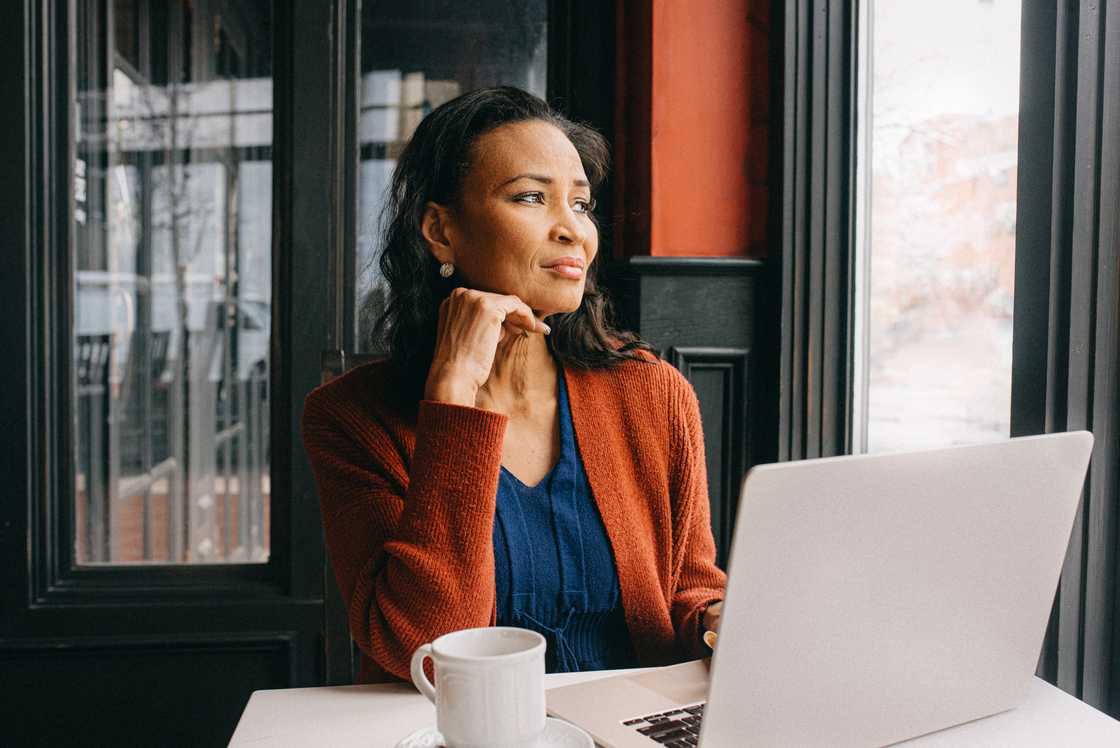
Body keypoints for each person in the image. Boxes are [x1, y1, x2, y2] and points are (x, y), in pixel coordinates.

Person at [301, 86, 725, 684]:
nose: (572, 230)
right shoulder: (350, 417)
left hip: (630, 724)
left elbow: (688, 590)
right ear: (440, 232)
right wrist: (452, 400)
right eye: (530, 197)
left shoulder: (651, 393)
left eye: (581, 204)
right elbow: (421, 651)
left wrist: (718, 618)